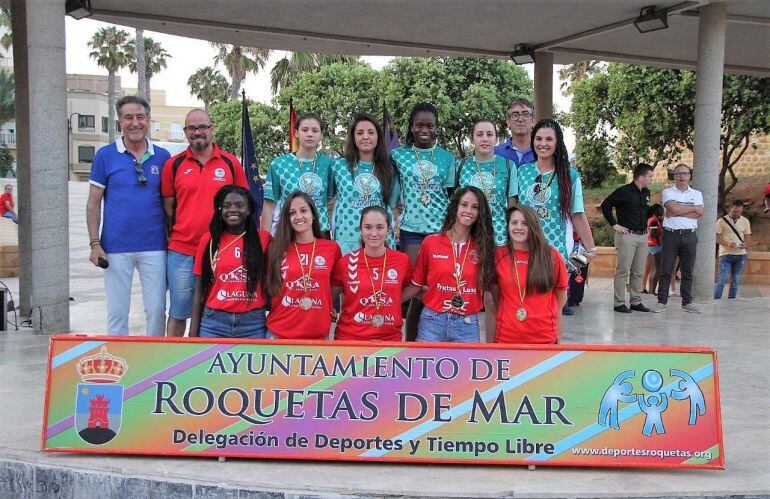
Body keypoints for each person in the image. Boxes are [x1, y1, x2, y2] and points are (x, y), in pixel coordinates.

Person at [86, 95, 171, 336]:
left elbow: (170, 204)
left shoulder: (163, 157)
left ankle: (154, 364)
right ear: (120, 121)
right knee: (117, 312)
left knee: (156, 310)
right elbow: (93, 203)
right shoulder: (105, 155)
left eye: (140, 117)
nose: (135, 123)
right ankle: (119, 365)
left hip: (155, 246)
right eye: (128, 117)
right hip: (115, 248)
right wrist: (95, 244)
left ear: (148, 120)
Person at [161, 108, 249, 336]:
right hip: (183, 251)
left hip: (222, 250)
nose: (197, 132)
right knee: (179, 312)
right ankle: (171, 362)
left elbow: (243, 204)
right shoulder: (174, 165)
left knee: (213, 311)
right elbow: (168, 209)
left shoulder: (230, 163)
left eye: (202, 127)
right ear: (185, 132)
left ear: (212, 129)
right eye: (192, 128)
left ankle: (200, 362)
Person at [509, 119, 596, 316]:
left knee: (552, 310)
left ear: (558, 143)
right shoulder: (522, 172)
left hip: (556, 253)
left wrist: (591, 249)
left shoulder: (569, 174)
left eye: (549, 139)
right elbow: (513, 211)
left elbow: (578, 214)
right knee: (524, 305)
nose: (543, 143)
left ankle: (550, 345)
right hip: (524, 249)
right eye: (538, 138)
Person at [391, 103, 456, 341]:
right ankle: (411, 345)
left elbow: (451, 197)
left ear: (437, 128)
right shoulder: (398, 155)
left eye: (429, 125)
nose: (424, 130)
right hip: (411, 231)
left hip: (441, 232)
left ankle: (436, 341)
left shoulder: (447, 158)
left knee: (437, 290)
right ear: (411, 127)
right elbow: (393, 191)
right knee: (416, 290)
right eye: (419, 125)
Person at [410, 186, 495, 343]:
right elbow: (416, 286)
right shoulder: (431, 242)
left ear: (480, 213)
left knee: (466, 368)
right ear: (455, 206)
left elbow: (489, 289)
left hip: (467, 324)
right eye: (464, 204)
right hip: (432, 321)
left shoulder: (483, 248)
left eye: (475, 207)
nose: (468, 210)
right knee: (427, 367)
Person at [189, 185, 272, 338]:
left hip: (252, 324)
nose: (232, 209)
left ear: (248, 210)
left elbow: (274, 280)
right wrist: (192, 334)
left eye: (239, 205)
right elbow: (199, 289)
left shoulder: (264, 239)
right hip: (214, 323)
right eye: (226, 206)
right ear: (220, 210)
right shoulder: (209, 240)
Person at [331, 206, 416, 341]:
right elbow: (328, 294)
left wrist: (394, 299)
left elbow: (414, 287)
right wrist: (327, 310)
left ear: (388, 230)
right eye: (368, 227)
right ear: (361, 230)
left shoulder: (402, 260)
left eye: (380, 227)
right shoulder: (345, 262)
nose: (374, 233)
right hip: (350, 339)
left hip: (389, 340)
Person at [265, 191, 341, 339]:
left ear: (313, 214)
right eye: (292, 213)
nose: (298, 217)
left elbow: (336, 284)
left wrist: (328, 304)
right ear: (287, 219)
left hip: (318, 337)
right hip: (279, 335)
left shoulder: (331, 249)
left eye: (304, 210)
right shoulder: (276, 248)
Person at [490, 205, 568, 344]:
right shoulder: (498, 255)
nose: (518, 227)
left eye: (525, 223)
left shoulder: (551, 256)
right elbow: (494, 299)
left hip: (544, 339)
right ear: (508, 226)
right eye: (514, 222)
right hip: (507, 339)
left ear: (533, 226)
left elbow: (560, 299)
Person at [331, 113, 399, 254]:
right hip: (348, 239)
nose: (365, 137)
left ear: (378, 137)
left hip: (380, 240)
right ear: (353, 138)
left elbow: (392, 206)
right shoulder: (338, 166)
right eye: (360, 133)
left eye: (371, 132)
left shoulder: (389, 169)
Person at [262, 112, 333, 236]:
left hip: (320, 231)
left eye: (315, 131)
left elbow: (332, 197)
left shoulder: (329, 164)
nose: (310, 134)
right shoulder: (279, 164)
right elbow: (269, 204)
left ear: (321, 135)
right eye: (305, 130)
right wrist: (264, 239)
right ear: (296, 133)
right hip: (289, 231)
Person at [600, 163, 654, 313]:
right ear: (641, 177)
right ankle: (619, 303)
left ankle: (636, 301)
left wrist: (653, 211)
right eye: (650, 176)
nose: (652, 179)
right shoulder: (623, 191)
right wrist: (614, 224)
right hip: (627, 236)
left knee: (638, 271)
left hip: (643, 236)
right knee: (623, 270)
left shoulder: (646, 192)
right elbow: (605, 205)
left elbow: (643, 213)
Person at [651, 164, 704, 314]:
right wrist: (691, 208)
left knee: (688, 271)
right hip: (671, 235)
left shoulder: (697, 193)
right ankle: (661, 301)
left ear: (689, 176)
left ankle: (687, 302)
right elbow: (673, 209)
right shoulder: (667, 191)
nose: (682, 176)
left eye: (685, 173)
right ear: (674, 176)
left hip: (690, 235)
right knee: (666, 269)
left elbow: (700, 212)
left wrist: (678, 210)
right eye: (678, 173)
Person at [714, 200, 751, 299]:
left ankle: (732, 300)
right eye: (735, 211)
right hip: (725, 254)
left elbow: (747, 236)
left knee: (736, 279)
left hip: (740, 254)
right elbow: (716, 237)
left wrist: (745, 244)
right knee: (722, 278)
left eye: (739, 211)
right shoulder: (721, 221)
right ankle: (716, 299)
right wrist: (727, 244)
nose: (737, 214)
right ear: (730, 208)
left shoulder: (745, 221)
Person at [494, 97, 536, 168]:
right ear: (508, 121)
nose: (520, 119)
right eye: (515, 115)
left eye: (525, 114)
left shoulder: (542, 152)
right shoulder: (496, 154)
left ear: (533, 121)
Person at [642, 204, 664, 295]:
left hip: (651, 246)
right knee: (657, 270)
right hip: (655, 246)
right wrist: (663, 232)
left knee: (653, 270)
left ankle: (651, 290)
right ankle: (652, 290)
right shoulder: (654, 220)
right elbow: (653, 233)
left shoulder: (651, 220)